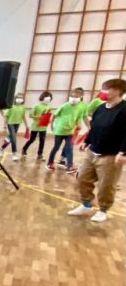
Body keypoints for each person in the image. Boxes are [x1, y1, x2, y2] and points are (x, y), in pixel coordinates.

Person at [67, 78, 126, 223]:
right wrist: (86, 141)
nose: (103, 91)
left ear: (118, 91)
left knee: (106, 185)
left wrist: (123, 152)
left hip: (111, 155)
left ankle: (103, 210)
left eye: (107, 88)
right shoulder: (100, 108)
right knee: (82, 178)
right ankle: (86, 203)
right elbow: (94, 127)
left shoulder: (124, 110)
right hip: (92, 151)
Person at [47, 89, 83, 173]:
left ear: (80, 98)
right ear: (69, 97)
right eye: (72, 96)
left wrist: (79, 126)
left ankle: (69, 166)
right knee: (56, 147)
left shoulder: (80, 108)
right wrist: (52, 125)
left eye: (76, 97)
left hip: (70, 132)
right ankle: (49, 163)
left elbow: (78, 118)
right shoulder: (63, 106)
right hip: (59, 131)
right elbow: (54, 116)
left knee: (69, 148)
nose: (74, 98)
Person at [22, 91, 53, 161]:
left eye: (49, 98)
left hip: (43, 127)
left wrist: (49, 120)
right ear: (42, 97)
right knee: (32, 140)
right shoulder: (36, 106)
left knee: (42, 141)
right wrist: (39, 117)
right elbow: (30, 115)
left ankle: (40, 154)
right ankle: (24, 149)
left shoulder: (49, 107)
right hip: (35, 126)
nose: (48, 99)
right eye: (47, 97)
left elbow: (48, 115)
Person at [0, 92, 28, 161]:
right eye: (18, 97)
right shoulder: (10, 106)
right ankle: (14, 154)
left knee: (10, 138)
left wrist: (26, 125)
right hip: (10, 123)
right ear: (15, 98)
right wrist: (4, 127)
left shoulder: (23, 107)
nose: (20, 99)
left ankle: (2, 148)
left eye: (21, 98)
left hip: (17, 124)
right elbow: (6, 117)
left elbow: (23, 116)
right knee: (14, 139)